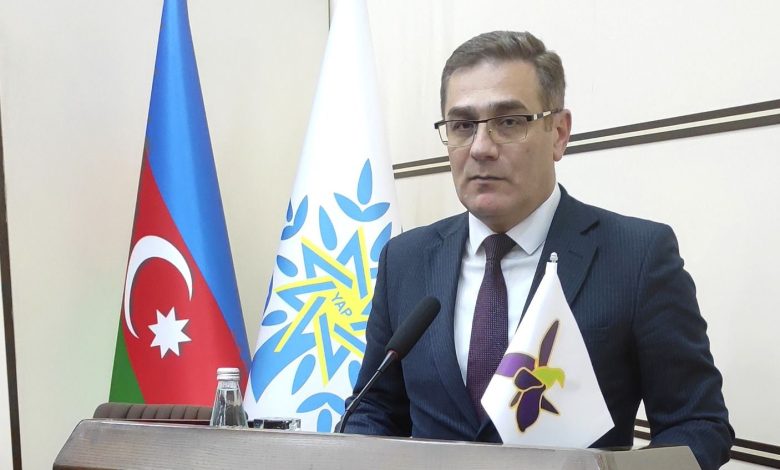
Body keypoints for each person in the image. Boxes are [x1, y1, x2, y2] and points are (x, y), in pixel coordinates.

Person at [343, 31, 733, 470]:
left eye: (509, 122)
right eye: (462, 125)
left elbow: (698, 424)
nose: (481, 148)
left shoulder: (637, 257)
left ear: (559, 133)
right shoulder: (405, 260)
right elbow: (374, 407)